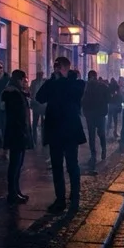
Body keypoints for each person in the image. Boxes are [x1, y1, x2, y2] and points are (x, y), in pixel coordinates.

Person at [37, 57, 87, 213]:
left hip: (70, 130)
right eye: (55, 67)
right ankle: (60, 199)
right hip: (55, 130)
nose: (56, 70)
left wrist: (62, 79)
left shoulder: (76, 83)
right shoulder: (53, 83)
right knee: (57, 167)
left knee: (72, 165)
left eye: (59, 67)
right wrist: (52, 80)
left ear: (66, 68)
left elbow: (73, 92)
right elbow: (40, 97)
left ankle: (75, 196)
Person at [2, 69, 34, 204]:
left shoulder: (17, 93)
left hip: (20, 132)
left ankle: (16, 190)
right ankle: (12, 192)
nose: (25, 82)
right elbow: (18, 115)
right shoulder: (13, 93)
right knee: (15, 164)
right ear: (19, 80)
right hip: (17, 133)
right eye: (24, 80)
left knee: (18, 164)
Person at [82, 70, 111, 166]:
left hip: (91, 114)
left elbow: (83, 100)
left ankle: (94, 155)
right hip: (99, 114)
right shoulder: (103, 86)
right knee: (100, 133)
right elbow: (108, 99)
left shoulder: (87, 87)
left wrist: (85, 111)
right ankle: (103, 149)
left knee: (92, 135)